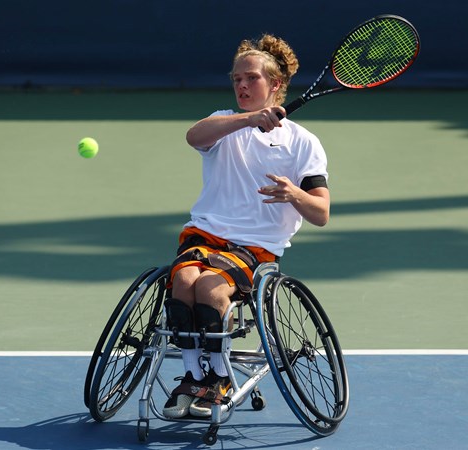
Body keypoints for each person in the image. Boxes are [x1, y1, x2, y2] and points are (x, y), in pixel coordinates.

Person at [162, 33, 330, 419]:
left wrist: (295, 195)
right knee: (184, 280)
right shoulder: (223, 123)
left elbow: (320, 213)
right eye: (236, 78)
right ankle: (192, 376)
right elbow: (193, 136)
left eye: (251, 78)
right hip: (205, 236)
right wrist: (250, 120)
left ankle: (218, 379)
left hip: (256, 247)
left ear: (275, 85)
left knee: (208, 286)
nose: (241, 85)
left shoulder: (303, 143)